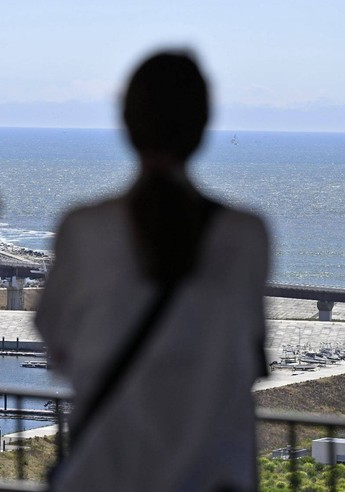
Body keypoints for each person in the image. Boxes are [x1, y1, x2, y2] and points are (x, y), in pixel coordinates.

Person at [35, 51, 269, 491]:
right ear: (202, 127)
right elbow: (248, 356)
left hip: (103, 478)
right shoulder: (246, 236)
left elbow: (60, 351)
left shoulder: (83, 230)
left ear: (127, 125)